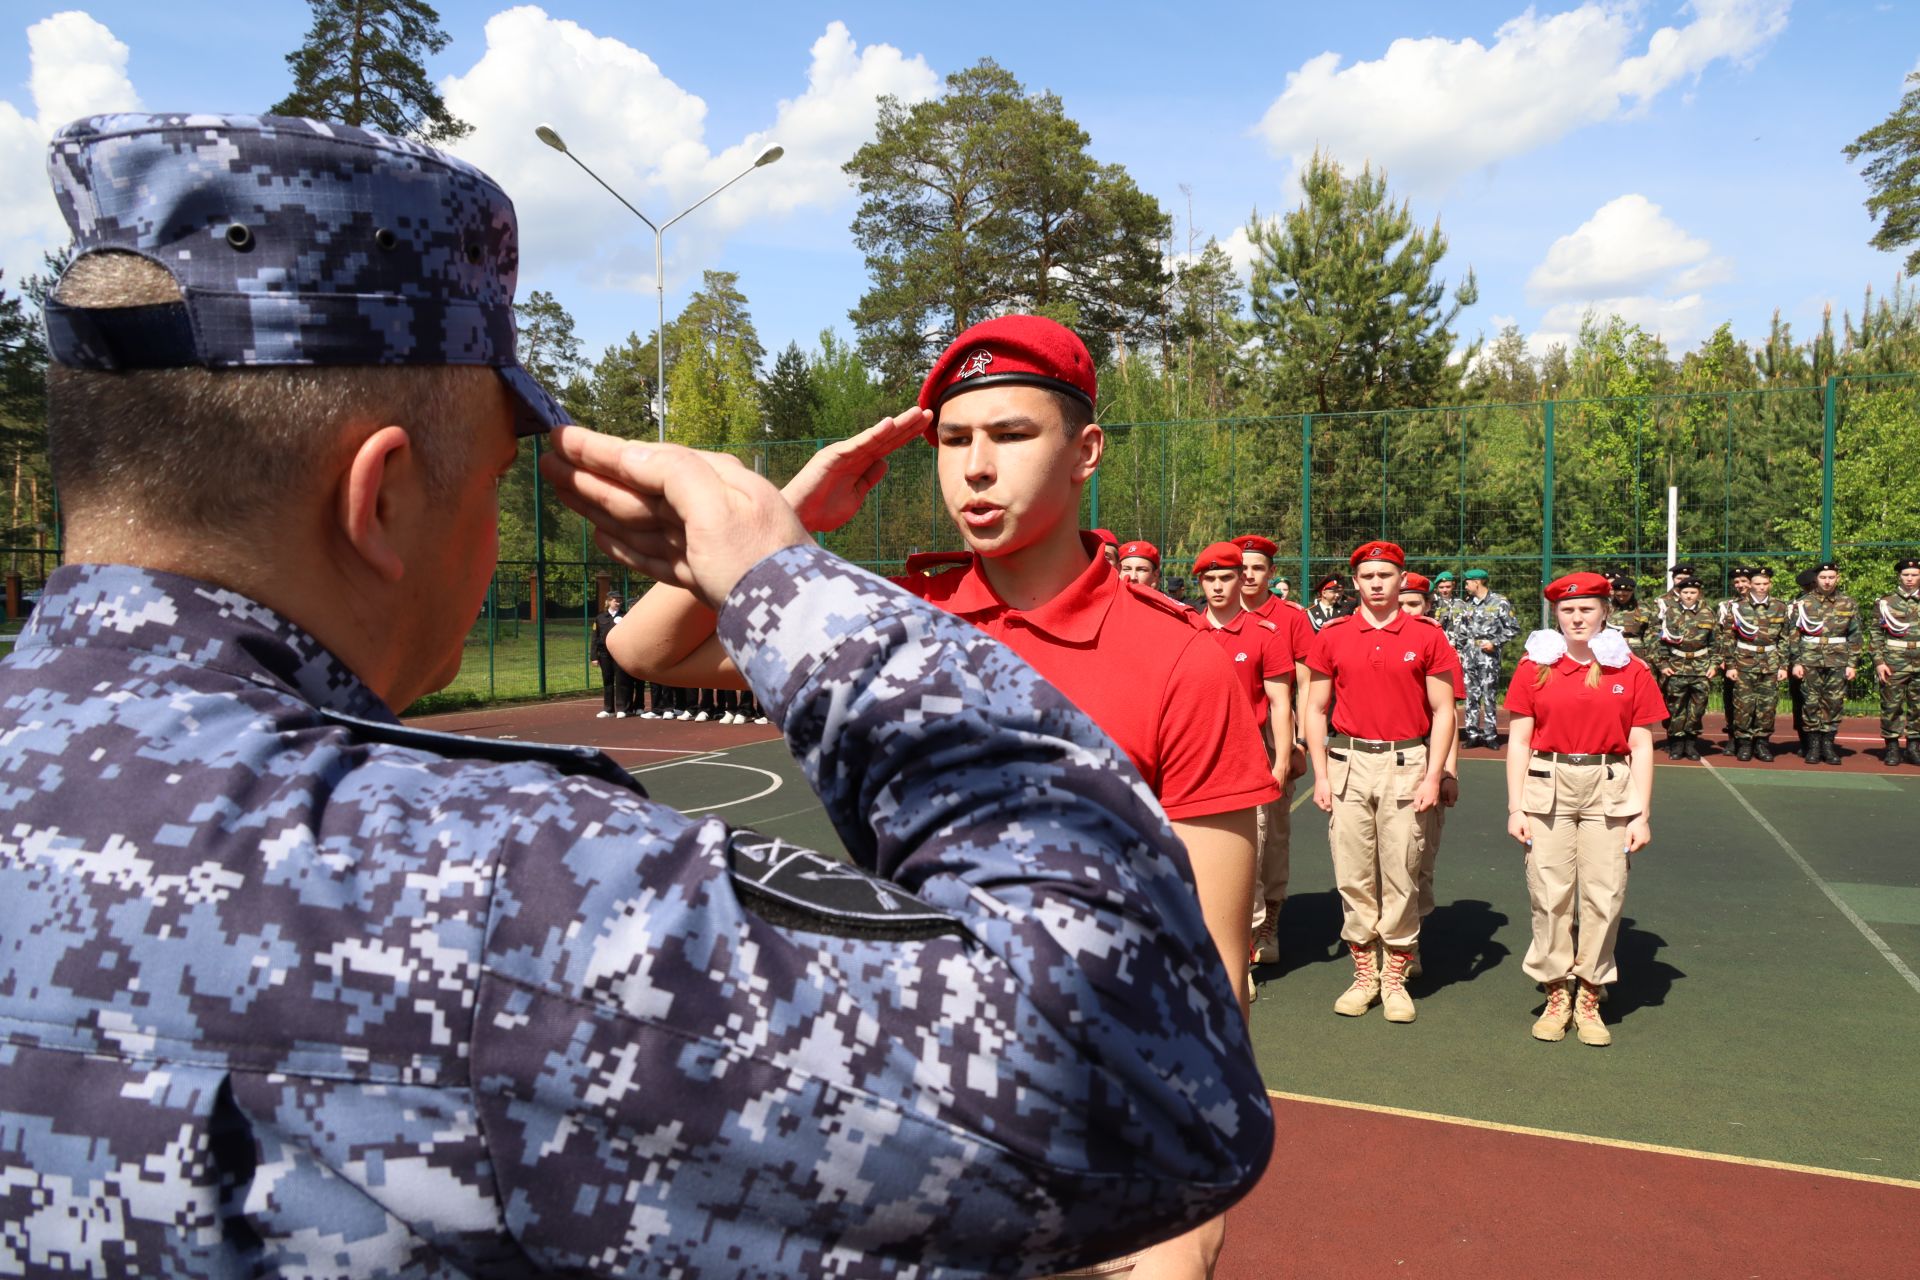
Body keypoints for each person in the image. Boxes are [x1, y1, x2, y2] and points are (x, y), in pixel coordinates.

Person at [0, 113, 1273, 1278]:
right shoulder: (510, 892)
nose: (977, 465)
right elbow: (1148, 1077)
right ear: (381, 498)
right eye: (501, 472)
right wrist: (795, 580)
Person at [615, 313, 1279, 1278]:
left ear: (1085, 450)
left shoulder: (1180, 661)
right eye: (953, 441)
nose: (975, 468)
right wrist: (793, 519)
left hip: (1096, 1130)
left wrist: (1189, 1194)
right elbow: (648, 651)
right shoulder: (897, 631)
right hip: (915, 1109)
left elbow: (1214, 962)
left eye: (1011, 437)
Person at [1503, 573, 1663, 1046]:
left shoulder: (1629, 668)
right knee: (1549, 891)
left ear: (1605, 612)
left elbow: (1641, 744)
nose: (1578, 617)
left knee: (1605, 893)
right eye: (1568, 610)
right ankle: (1557, 989)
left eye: (1588, 608)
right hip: (1547, 785)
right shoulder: (1535, 666)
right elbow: (1519, 741)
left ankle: (1590, 991)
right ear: (1556, 614)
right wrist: (1516, 807)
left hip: (1608, 786)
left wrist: (1642, 813)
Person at [1305, 541, 1459, 1023]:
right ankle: (1364, 973)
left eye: (1386, 575)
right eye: (1367, 576)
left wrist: (1434, 774)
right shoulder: (1332, 635)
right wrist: (1320, 773)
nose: (1376, 583)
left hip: (1406, 763)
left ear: (1400, 579)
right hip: (1349, 761)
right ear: (1355, 582)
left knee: (1402, 871)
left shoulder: (1427, 635)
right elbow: (1313, 708)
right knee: (1352, 875)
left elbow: (1443, 711)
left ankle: (1394, 975)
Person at [1195, 541, 1298, 994]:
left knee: (1249, 859)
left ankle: (1242, 961)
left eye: (1226, 578)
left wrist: (1280, 762)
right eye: (1210, 579)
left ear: (1242, 580)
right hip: (1196, 758)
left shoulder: (1264, 634)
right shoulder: (1187, 629)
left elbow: (1280, 704)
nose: (1218, 587)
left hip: (1249, 758)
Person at [1232, 533, 1314, 964]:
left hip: (1270, 735)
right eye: (1240, 567)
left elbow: (1303, 682)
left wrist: (1296, 740)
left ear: (1271, 573)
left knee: (1274, 833)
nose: (1247, 575)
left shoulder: (1289, 617)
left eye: (1257, 568)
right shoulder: (1209, 614)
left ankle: (1269, 923)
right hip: (1224, 737)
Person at [1398, 572, 1464, 964]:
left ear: (1427, 606)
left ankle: (1412, 940)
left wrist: (1446, 773)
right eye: (1402, 602)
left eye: (1414, 604)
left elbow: (1448, 715)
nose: (1406, 610)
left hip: (1426, 758)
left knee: (1419, 858)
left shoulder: (1434, 641)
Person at [1787, 562, 1861, 765]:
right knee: (1810, 703)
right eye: (1823, 577)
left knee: (1834, 703)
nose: (1827, 581)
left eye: (1831, 577)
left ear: (1837, 578)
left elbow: (1855, 635)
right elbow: (1794, 636)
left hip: (1838, 660)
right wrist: (1796, 661)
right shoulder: (1802, 604)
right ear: (1816, 580)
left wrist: (1852, 663)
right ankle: (1813, 746)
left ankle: (1828, 745)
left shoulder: (1848, 603)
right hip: (1809, 659)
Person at [1717, 565, 1792, 761]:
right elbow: (1728, 638)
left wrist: (1783, 666)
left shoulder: (1780, 607)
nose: (1761, 587)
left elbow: (1784, 638)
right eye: (1757, 584)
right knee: (1743, 705)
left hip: (1770, 661)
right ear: (1750, 585)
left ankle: (1762, 743)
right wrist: (1731, 665)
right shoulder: (1737, 607)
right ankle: (1744, 744)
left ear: (1770, 584)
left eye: (1765, 584)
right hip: (1744, 661)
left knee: (1767, 705)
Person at [1653, 577, 1718, 760]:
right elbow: (1660, 641)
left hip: (1701, 667)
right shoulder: (1669, 613)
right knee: (1676, 707)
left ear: (1699, 594)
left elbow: (1715, 642)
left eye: (1693, 593)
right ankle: (1676, 744)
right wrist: (1663, 664)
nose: (1689, 596)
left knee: (1698, 708)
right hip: (1676, 666)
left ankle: (1691, 744)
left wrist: (1714, 664)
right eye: (1685, 593)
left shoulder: (1708, 613)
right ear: (1679, 594)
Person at [1456, 568, 1521, 747]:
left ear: (1477, 582)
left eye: (1468, 582)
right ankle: (1473, 734)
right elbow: (1461, 630)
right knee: (1471, 695)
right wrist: (1460, 651)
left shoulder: (1499, 602)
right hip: (1469, 655)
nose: (1466, 586)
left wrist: (1496, 642)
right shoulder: (1468, 604)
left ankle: (1491, 735)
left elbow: (1513, 628)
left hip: (1488, 656)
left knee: (1489, 695)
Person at [1870, 557, 1920, 766]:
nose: (1910, 579)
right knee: (1891, 705)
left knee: (1918, 706)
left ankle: (1913, 747)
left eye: (1914, 575)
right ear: (1899, 576)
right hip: (1894, 661)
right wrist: (1879, 661)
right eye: (1906, 575)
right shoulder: (1885, 602)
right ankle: (1892, 747)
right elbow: (1875, 633)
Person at [592, 589, 640, 718]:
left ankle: (621, 708)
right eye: (615, 600)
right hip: (604, 654)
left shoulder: (625, 616)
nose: (618, 603)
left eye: (620, 600)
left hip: (620, 653)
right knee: (607, 681)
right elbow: (595, 638)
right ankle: (608, 709)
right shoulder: (600, 617)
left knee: (621, 681)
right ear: (608, 601)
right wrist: (594, 656)